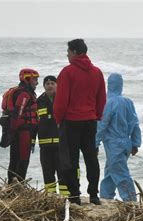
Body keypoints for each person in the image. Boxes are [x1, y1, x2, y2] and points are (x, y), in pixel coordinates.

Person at [54, 39, 106, 205]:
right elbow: (101, 99)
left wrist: (58, 119)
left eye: (68, 51)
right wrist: (96, 115)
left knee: (70, 159)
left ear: (75, 52)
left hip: (71, 121)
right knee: (91, 158)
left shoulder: (67, 72)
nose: (67, 54)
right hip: (90, 121)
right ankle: (94, 195)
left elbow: (61, 100)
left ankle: (75, 194)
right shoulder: (97, 72)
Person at [96, 73, 141, 202]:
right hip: (126, 142)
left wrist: (95, 142)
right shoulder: (128, 102)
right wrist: (135, 143)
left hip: (113, 143)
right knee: (111, 172)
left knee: (120, 174)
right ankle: (106, 197)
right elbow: (135, 123)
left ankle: (131, 200)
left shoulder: (108, 102)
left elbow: (102, 124)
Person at [34, 75, 69, 196]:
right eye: (47, 84)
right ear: (44, 86)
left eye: (52, 83)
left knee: (63, 173)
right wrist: (32, 141)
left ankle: (66, 197)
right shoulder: (38, 102)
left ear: (57, 85)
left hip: (61, 145)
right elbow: (34, 124)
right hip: (45, 146)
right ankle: (51, 197)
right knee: (48, 173)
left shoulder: (63, 100)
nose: (49, 86)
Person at [7, 68, 39, 183]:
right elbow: (18, 113)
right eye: (35, 79)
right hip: (23, 132)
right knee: (22, 160)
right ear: (27, 79)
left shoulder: (22, 92)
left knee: (15, 159)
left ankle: (12, 185)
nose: (37, 82)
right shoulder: (24, 94)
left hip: (19, 132)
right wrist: (14, 131)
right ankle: (18, 185)